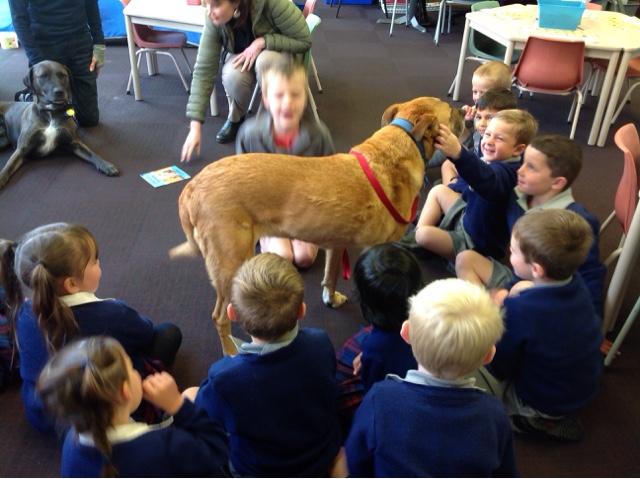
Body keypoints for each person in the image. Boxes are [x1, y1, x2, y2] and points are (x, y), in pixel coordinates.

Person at [0, 223, 182, 435]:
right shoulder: (111, 313)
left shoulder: (23, 311)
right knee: (168, 333)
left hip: (42, 413)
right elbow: (145, 332)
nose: (99, 263)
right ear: (71, 284)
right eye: (95, 261)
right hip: (93, 412)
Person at [185, 253, 343, 477]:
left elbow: (205, 417)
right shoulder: (320, 342)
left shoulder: (224, 378)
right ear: (301, 311)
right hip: (321, 455)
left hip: (262, 470)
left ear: (232, 314)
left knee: (189, 395)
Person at [344, 278, 519, 477]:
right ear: (488, 355)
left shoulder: (380, 400)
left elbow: (356, 461)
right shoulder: (494, 414)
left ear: (406, 332)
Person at [470, 209, 604, 442]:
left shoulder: (520, 311)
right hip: (582, 387)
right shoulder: (576, 283)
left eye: (513, 251)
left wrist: (497, 313)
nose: (509, 253)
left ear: (537, 269)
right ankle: (551, 414)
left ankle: (534, 420)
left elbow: (500, 364)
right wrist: (511, 293)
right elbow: (525, 288)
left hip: (543, 399)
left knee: (470, 369)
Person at [455, 135, 606, 327]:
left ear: (557, 182)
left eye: (532, 167)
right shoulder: (518, 193)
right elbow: (486, 181)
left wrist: (591, 324)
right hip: (520, 273)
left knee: (521, 296)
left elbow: (591, 276)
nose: (520, 170)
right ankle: (483, 318)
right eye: (523, 162)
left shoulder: (577, 223)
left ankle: (490, 326)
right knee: (465, 259)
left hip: (549, 292)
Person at [36, 336, 230, 477]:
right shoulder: (163, 445)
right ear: (124, 391)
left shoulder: (71, 443)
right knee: (193, 394)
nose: (137, 372)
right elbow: (217, 447)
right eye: (131, 367)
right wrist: (178, 405)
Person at [236, 53, 334, 268]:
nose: (288, 102)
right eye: (279, 95)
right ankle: (266, 238)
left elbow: (330, 181)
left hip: (304, 209)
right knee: (283, 256)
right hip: (268, 211)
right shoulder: (249, 134)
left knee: (304, 258)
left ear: (305, 97)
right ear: (266, 99)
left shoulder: (319, 135)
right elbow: (243, 185)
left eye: (295, 94)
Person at [179, 0, 311, 154]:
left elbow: (304, 40)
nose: (209, 12)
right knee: (232, 74)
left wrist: (264, 41)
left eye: (216, 5)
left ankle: (274, 121)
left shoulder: (272, 3)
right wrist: (195, 127)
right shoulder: (213, 18)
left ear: (235, 2)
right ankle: (236, 119)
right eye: (205, 4)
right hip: (242, 54)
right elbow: (204, 70)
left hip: (277, 53)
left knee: (265, 61)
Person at [414, 109, 538, 263]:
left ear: (518, 149)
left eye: (499, 138)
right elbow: (473, 175)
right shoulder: (492, 156)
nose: (489, 141)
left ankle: (425, 238)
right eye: (487, 134)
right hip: (468, 215)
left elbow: (486, 179)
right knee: (438, 190)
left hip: (476, 242)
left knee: (423, 235)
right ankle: (423, 236)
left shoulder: (509, 173)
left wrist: (459, 153)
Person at [335, 243, 423, 434]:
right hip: (426, 378)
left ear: (365, 303)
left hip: (399, 406)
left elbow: (375, 394)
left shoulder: (375, 349)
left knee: (338, 381)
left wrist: (371, 355)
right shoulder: (433, 310)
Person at [8, 0, 106, 127]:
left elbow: (91, 5)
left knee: (89, 119)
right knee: (46, 121)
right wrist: (39, 62)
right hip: (45, 45)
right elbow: (19, 20)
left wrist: (99, 46)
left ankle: (67, 98)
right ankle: (28, 95)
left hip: (80, 41)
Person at [427, 60, 513, 171]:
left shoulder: (507, 118)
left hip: (485, 155)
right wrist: (463, 117)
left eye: (483, 93)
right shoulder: (479, 107)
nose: (477, 97)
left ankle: (423, 162)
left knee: (450, 154)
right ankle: (423, 159)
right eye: (475, 91)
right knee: (452, 134)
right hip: (476, 146)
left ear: (504, 92)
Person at [443, 87, 518, 188]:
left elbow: (485, 177)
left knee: (439, 191)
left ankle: (452, 191)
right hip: (480, 175)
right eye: (478, 117)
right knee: (448, 164)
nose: (482, 123)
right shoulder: (485, 138)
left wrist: (458, 185)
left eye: (490, 118)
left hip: (484, 186)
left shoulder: (499, 146)